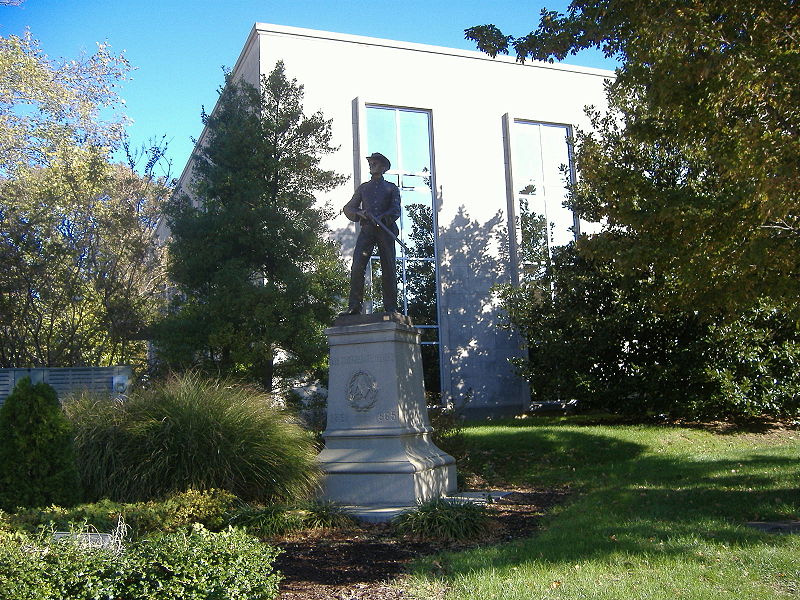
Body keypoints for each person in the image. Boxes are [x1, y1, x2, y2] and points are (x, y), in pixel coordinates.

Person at [342, 152, 402, 315]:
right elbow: (348, 208)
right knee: (357, 266)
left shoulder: (391, 188)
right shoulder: (363, 188)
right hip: (367, 231)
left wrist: (382, 218)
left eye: (374, 163)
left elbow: (396, 210)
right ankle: (354, 306)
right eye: (370, 163)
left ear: (383, 167)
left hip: (384, 230)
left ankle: (390, 307)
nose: (371, 165)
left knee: (388, 267)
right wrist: (361, 213)